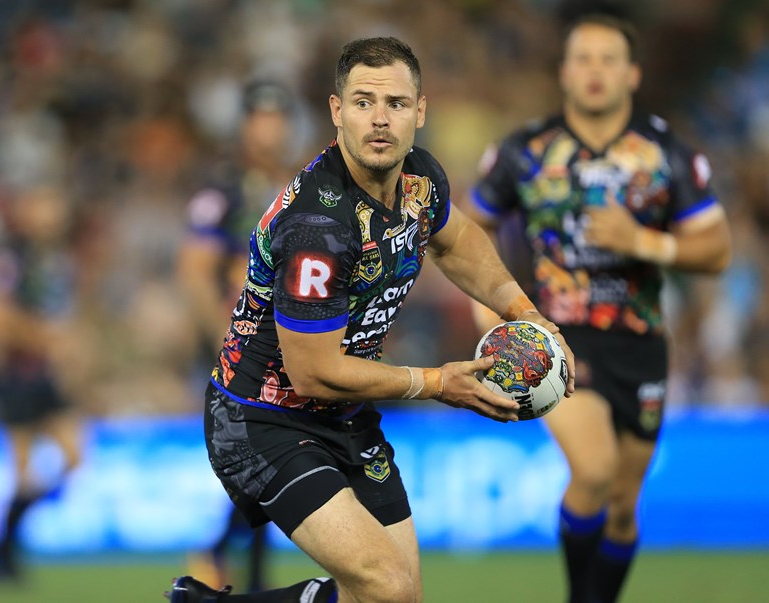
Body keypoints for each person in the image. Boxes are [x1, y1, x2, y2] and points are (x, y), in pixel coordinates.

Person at [165, 36, 574, 603]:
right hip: (261, 419)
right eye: (363, 103)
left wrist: (525, 312)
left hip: (344, 412)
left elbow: (454, 241)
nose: (380, 121)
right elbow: (312, 372)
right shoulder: (317, 226)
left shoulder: (420, 181)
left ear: (420, 111)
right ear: (337, 112)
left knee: (397, 598)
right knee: (382, 585)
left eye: (396, 104)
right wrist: (436, 383)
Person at [467, 13, 731, 603]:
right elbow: (463, 231)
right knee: (592, 470)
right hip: (556, 337)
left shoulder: (664, 152)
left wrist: (642, 241)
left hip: (640, 343)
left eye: (608, 59)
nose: (594, 71)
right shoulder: (525, 151)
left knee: (621, 511)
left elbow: (716, 248)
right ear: (563, 72)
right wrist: (488, 308)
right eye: (582, 58)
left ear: (632, 74)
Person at [177, 80, 303, 593]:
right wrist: (221, 341)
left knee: (266, 466)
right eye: (260, 117)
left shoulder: (304, 186)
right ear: (246, 124)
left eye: (277, 118)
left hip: (289, 349)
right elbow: (193, 269)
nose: (268, 128)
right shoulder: (224, 192)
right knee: (258, 462)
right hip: (242, 351)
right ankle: (236, 571)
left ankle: (221, 560)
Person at [0, 187, 84, 581]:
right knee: (22, 471)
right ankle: (3, 551)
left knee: (75, 456)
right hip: (14, 376)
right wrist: (45, 337)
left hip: (45, 376)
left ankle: (7, 534)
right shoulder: (11, 259)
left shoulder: (54, 260)